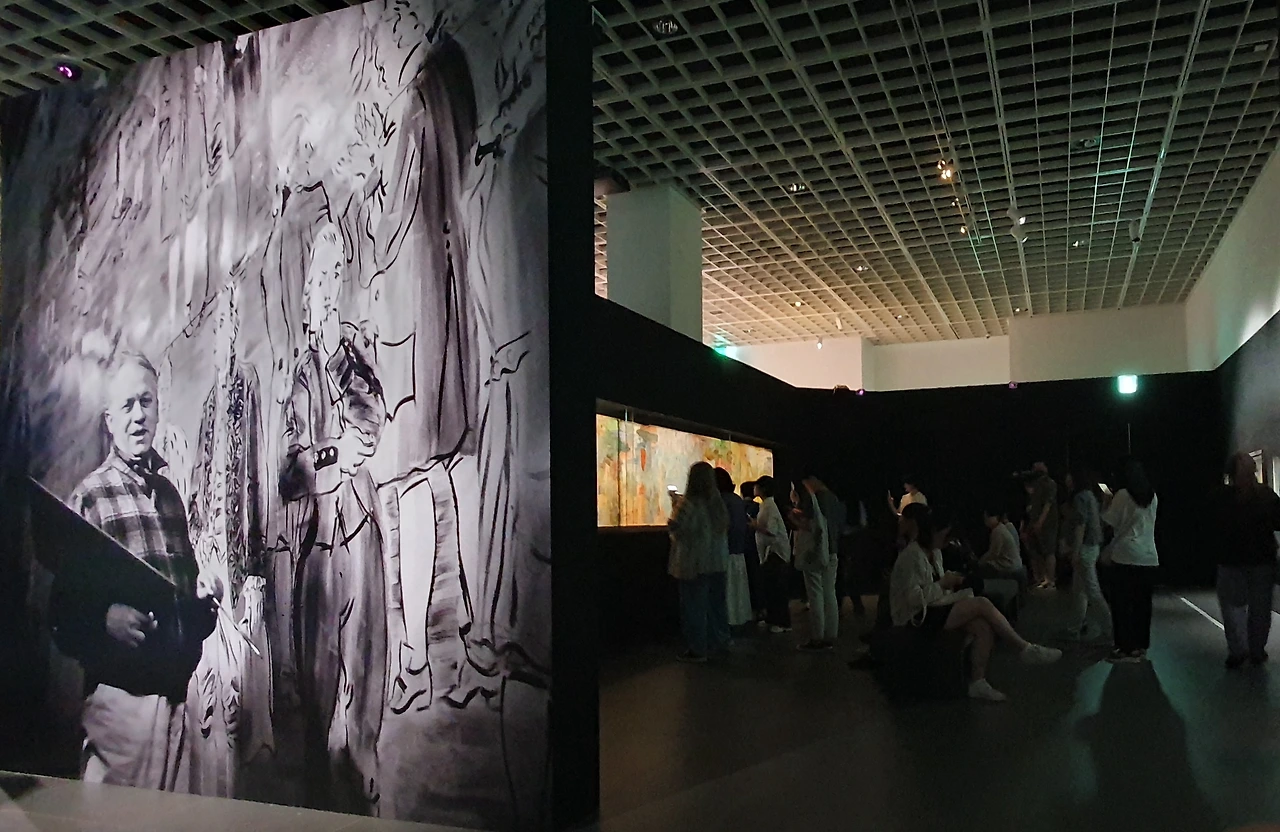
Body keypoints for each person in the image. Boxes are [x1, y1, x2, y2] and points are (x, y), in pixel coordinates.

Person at [50, 351, 223, 789]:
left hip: (177, 707)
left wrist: (203, 601)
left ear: (158, 408)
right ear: (110, 421)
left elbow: (188, 613)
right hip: (120, 712)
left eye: (146, 402)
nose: (138, 416)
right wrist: (104, 621)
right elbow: (60, 617)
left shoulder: (171, 498)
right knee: (113, 821)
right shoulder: (91, 497)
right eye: (127, 405)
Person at [279, 222, 388, 812]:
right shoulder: (299, 376)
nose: (329, 286)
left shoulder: (350, 355)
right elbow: (290, 469)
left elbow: (372, 419)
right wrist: (332, 454)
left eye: (337, 274)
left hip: (358, 523)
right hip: (319, 536)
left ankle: (363, 756)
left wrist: (348, 443)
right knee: (317, 663)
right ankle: (323, 772)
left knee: (366, 647)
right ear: (307, 291)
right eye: (322, 275)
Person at [889, 503, 1062, 702]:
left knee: (982, 625)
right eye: (945, 536)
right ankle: (1024, 648)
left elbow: (934, 589)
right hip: (913, 617)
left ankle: (978, 682)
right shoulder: (911, 556)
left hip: (931, 608)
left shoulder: (935, 553)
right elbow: (913, 600)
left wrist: (947, 583)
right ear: (933, 532)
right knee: (980, 603)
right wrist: (943, 583)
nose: (947, 541)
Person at [1211, 452, 1280, 668]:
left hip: (1239, 560)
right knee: (1257, 609)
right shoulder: (1266, 496)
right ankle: (1252, 650)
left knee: (1237, 609)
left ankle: (1242, 650)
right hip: (1256, 560)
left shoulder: (1222, 497)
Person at [668, 462, 731, 663]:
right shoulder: (718, 504)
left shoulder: (688, 504)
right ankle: (719, 642)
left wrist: (674, 507)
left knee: (693, 607)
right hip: (717, 563)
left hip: (693, 564)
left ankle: (697, 649)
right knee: (716, 605)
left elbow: (677, 530)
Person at [1101, 459, 1160, 664]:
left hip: (1125, 555)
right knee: (1143, 605)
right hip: (1149, 556)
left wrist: (1106, 502)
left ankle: (1124, 648)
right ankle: (1140, 647)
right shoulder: (1152, 496)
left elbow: (1109, 521)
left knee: (1122, 604)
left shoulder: (1123, 495)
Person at [1064, 468, 1110, 643]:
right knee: (1080, 590)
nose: (1066, 479)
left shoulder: (1080, 497)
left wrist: (1075, 551)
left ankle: (1109, 630)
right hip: (1093, 546)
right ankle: (1074, 628)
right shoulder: (1090, 495)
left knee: (1091, 591)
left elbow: (1080, 525)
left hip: (1085, 548)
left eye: (1069, 476)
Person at [793, 480, 837, 651]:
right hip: (832, 550)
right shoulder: (833, 498)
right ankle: (830, 635)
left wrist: (793, 517)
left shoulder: (815, 498)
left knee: (815, 594)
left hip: (815, 553)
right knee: (829, 593)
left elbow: (813, 527)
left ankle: (817, 637)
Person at [752, 476, 793, 633]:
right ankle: (773, 618)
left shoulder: (769, 506)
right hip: (773, 552)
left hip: (776, 553)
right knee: (772, 588)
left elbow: (772, 531)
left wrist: (755, 526)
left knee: (777, 590)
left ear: (762, 488)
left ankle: (783, 622)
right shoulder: (767, 505)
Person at [716, 468, 753, 628]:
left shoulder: (721, 501)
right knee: (738, 590)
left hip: (725, 551)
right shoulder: (737, 500)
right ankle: (738, 619)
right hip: (739, 550)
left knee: (727, 590)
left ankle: (727, 622)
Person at [1022, 463, 1059, 589]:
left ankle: (1050, 580)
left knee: (1049, 551)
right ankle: (1040, 578)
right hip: (1034, 521)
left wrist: (1040, 521)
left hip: (1048, 524)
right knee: (1035, 551)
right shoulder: (1035, 484)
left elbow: (1048, 504)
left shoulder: (1050, 483)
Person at [977, 500, 1025, 580]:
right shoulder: (1001, 528)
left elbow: (994, 553)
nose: (985, 521)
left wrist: (981, 561)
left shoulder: (998, 531)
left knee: (984, 568)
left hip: (1010, 565)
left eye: (986, 518)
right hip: (1014, 563)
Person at [740, 480, 766, 625]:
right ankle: (760, 609)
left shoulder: (739, 506)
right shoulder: (759, 507)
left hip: (742, 547)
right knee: (757, 578)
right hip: (756, 547)